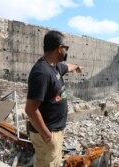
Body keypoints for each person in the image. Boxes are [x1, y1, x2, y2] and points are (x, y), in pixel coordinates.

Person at [25, 30, 83, 167]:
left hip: (55, 131)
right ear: (59, 48)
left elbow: (67, 67)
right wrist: (47, 136)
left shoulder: (55, 66)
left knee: (54, 163)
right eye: (65, 48)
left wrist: (77, 67)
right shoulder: (42, 72)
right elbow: (30, 110)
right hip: (47, 134)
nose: (66, 51)